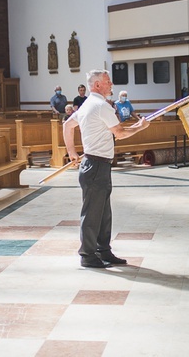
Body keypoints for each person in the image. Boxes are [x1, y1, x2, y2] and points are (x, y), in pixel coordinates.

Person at [63, 69, 149, 268]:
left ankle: (103, 250)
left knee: (103, 213)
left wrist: (72, 152)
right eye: (108, 81)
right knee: (93, 213)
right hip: (95, 165)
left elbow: (67, 126)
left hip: (97, 165)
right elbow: (119, 133)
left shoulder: (88, 105)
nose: (111, 85)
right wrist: (140, 127)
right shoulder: (101, 106)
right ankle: (87, 255)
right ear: (97, 85)